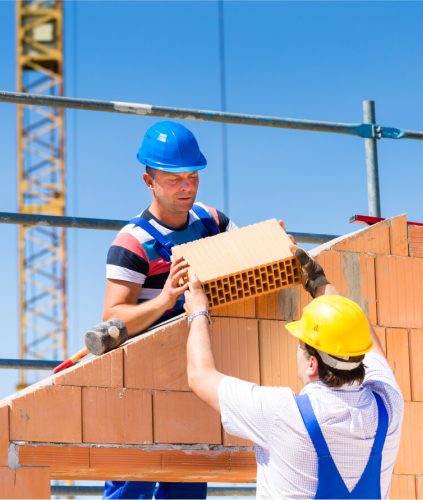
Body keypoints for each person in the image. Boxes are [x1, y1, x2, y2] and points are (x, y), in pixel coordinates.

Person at [184, 248, 404, 499]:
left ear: (312, 364)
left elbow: (200, 376)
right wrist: (318, 283)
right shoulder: (388, 404)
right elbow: (359, 334)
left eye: (300, 344)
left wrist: (198, 311)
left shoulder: (281, 413)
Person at [102, 120, 236, 500]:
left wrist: (272, 244)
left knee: (187, 481)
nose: (187, 186)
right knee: (132, 483)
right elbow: (112, 317)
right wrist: (164, 300)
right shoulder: (133, 243)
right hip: (142, 378)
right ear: (149, 181)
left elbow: (247, 259)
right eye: (174, 178)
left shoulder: (213, 223)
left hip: (195, 374)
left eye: (193, 176)